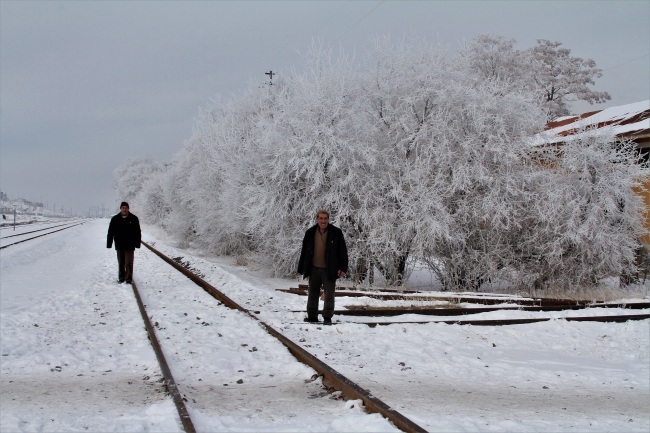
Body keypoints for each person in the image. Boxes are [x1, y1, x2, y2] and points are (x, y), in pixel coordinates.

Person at [297, 210, 348, 325]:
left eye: (325, 218)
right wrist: (302, 268)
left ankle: (327, 317)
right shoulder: (310, 233)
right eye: (321, 218)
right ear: (317, 219)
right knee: (312, 293)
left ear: (328, 219)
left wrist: (343, 268)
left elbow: (342, 251)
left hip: (329, 269)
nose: (323, 221)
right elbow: (304, 251)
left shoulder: (336, 233)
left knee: (329, 293)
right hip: (314, 268)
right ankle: (312, 316)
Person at [107, 202, 141, 284]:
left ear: (128, 209)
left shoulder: (134, 218)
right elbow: (110, 232)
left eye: (126, 208)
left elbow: (137, 232)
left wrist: (137, 243)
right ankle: (121, 277)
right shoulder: (115, 219)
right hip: (119, 244)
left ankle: (128, 278)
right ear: (120, 209)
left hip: (130, 244)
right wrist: (109, 244)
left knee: (129, 262)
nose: (124, 209)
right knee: (121, 262)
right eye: (123, 208)